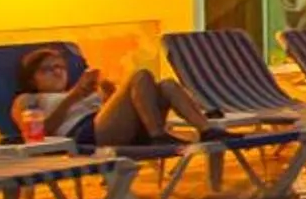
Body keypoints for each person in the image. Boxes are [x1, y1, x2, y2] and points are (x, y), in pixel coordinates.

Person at [13, 47, 216, 150]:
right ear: (32, 78)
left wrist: (110, 94)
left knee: (167, 85)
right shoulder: (28, 99)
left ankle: (207, 130)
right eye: (47, 69)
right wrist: (73, 98)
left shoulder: (81, 91)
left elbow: (114, 114)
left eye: (60, 67)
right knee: (141, 75)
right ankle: (157, 136)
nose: (57, 72)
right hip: (87, 135)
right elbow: (37, 134)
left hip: (115, 126)